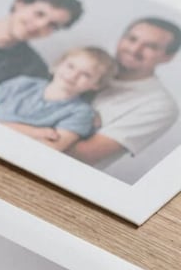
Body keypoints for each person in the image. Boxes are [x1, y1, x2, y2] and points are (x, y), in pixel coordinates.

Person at [68, 18, 181, 168]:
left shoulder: (159, 106)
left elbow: (84, 155)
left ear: (168, 57)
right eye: (132, 39)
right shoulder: (83, 62)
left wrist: (28, 131)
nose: (135, 49)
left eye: (151, 47)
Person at [0, 46, 117, 152]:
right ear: (58, 65)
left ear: (96, 84)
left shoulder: (80, 113)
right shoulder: (23, 83)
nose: (73, 75)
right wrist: (33, 132)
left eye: (86, 74)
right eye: (71, 66)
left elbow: (49, 148)